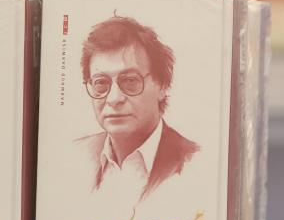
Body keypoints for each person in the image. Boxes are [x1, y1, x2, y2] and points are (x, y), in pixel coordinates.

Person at [76, 15, 198, 202]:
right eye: (101, 83)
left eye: (130, 81)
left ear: (163, 86)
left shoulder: (194, 163)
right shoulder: (74, 155)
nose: (114, 99)